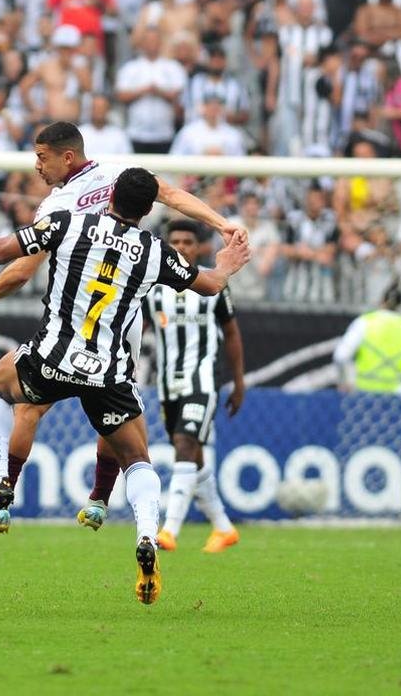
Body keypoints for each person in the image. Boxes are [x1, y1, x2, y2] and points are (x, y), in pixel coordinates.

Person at [0, 167, 251, 605]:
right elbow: (211, 284)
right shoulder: (155, 252)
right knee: (137, 458)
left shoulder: (68, 223)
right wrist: (226, 265)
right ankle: (147, 536)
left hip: (52, 358)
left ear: (110, 196)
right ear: (147, 210)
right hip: (108, 373)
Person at [0, 122, 245, 536]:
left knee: (24, 404)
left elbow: (20, 269)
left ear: (66, 157)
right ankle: (100, 499)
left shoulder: (58, 212)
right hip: (122, 323)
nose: (36, 167)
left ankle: (1, 490)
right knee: (121, 420)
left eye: (41, 157)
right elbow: (171, 196)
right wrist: (222, 224)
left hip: (72, 322)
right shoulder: (119, 177)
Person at [147, 220, 245, 554]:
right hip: (168, 384)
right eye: (175, 241)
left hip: (203, 379)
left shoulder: (213, 284)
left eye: (188, 241)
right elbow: (136, 329)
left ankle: (169, 530)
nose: (181, 247)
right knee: (194, 455)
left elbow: (231, 333)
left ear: (198, 247)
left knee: (185, 443)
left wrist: (239, 382)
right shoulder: (153, 286)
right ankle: (224, 528)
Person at [333, 284, 401, 395]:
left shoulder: (365, 322)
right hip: (400, 393)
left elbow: (341, 356)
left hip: (365, 391)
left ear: (382, 301)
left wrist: (346, 381)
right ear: (400, 304)